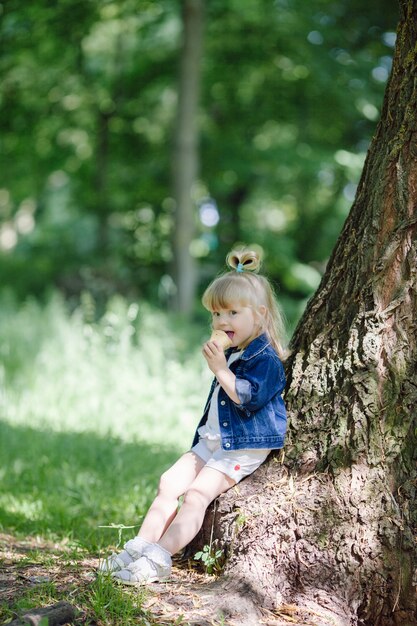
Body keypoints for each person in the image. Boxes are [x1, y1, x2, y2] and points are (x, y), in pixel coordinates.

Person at [99, 246, 287, 585]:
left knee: (197, 494)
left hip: (242, 445)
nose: (222, 321)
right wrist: (221, 364)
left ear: (258, 315)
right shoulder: (234, 351)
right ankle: (140, 546)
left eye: (232, 312)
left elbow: (249, 398)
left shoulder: (265, 358)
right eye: (216, 314)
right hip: (214, 440)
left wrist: (219, 370)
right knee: (168, 483)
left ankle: (159, 558)